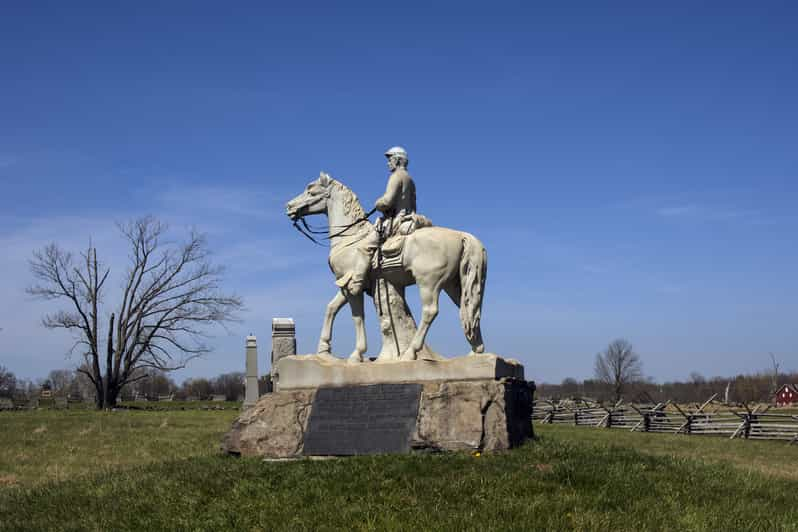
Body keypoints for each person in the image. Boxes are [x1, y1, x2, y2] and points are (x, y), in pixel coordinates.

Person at [340, 146, 418, 295]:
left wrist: (378, 203)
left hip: (394, 221)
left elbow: (387, 201)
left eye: (390, 159)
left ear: (398, 160)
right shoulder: (410, 180)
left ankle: (357, 283)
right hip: (408, 218)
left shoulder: (396, 176)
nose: (388, 162)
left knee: (364, 247)